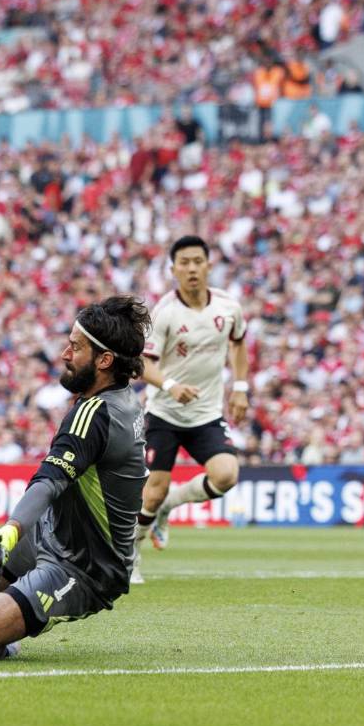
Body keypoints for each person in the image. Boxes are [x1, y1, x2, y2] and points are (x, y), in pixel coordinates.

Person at [0, 296, 151, 660]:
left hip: (87, 565)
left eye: (76, 347)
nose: (64, 354)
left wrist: (11, 530)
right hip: (56, 531)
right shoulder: (120, 398)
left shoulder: (95, 415)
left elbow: (49, 481)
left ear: (104, 361)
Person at [132, 235, 249, 584]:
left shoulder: (228, 307)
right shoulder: (165, 312)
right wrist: (170, 385)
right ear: (174, 270)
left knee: (226, 475)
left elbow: (238, 344)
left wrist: (240, 388)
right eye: (184, 263)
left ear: (209, 265)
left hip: (206, 413)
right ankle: (130, 556)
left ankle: (170, 506)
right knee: (153, 492)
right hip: (164, 413)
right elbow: (144, 364)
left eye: (198, 261)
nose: (192, 269)